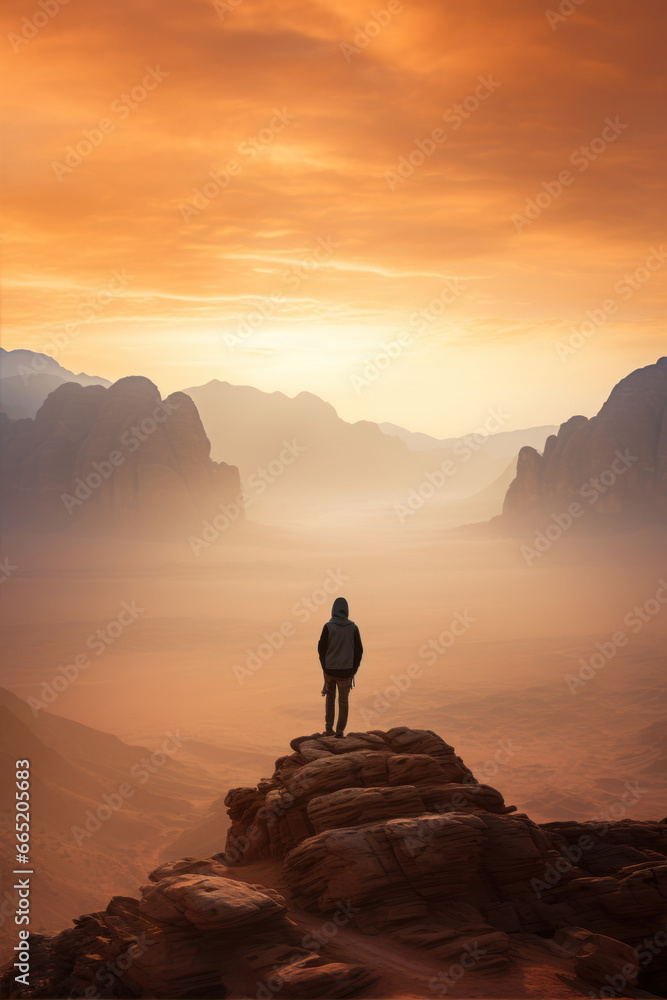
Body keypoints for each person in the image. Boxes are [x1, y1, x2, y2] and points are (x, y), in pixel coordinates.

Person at [317, 596, 363, 738]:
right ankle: (340, 731)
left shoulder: (328, 627)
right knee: (343, 701)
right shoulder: (353, 628)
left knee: (330, 698)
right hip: (346, 672)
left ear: (333, 610)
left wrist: (324, 668)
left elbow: (321, 649)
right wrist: (353, 670)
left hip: (330, 670)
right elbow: (359, 651)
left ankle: (329, 729)